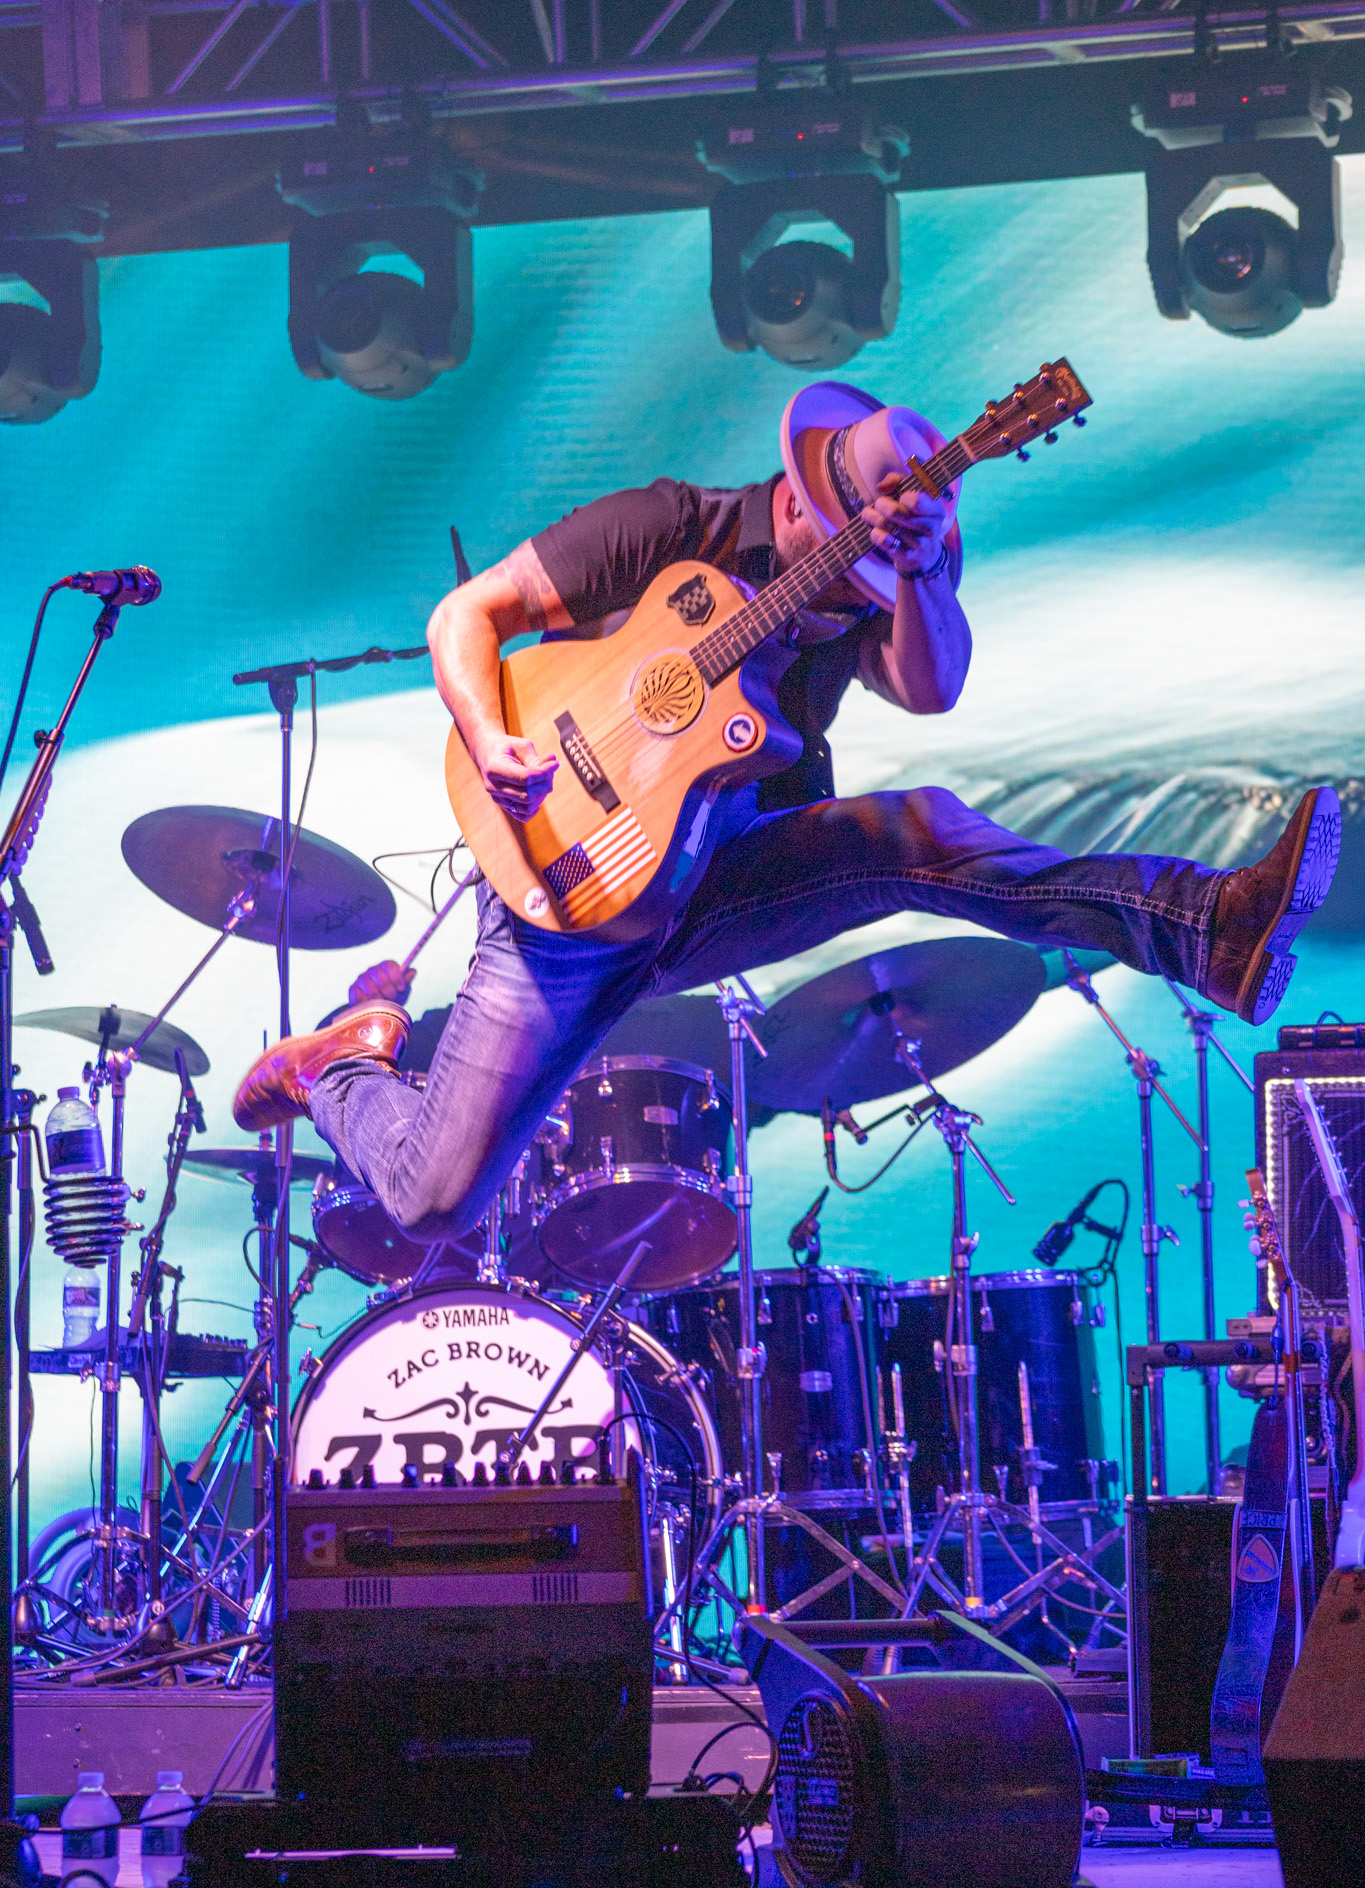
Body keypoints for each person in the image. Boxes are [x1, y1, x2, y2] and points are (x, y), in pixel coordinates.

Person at [233, 379, 1341, 1249]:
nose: (854, 608)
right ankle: (337, 1066)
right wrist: (490, 739)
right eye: (853, 577)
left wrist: (918, 570)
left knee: (916, 832)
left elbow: (931, 687)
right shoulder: (672, 525)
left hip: (715, 882)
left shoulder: (873, 589)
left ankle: (1206, 923)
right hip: (561, 887)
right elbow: (468, 614)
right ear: (804, 509)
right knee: (431, 1203)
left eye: (875, 589)